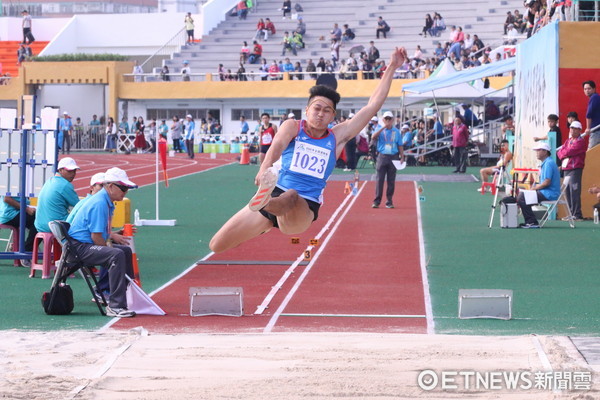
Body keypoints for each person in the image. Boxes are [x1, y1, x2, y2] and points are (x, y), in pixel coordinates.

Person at [209, 47, 407, 253]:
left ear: (333, 117)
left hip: (304, 206)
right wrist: (264, 168)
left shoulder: (337, 137)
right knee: (217, 245)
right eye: (317, 108)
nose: (320, 114)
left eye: (327, 111)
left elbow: (373, 105)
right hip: (277, 191)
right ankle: (267, 208)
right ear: (307, 110)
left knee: (292, 196)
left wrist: (392, 66)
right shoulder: (293, 127)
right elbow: (276, 145)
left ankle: (265, 203)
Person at [67, 168, 138, 318]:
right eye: (123, 188)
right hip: (78, 248)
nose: (125, 192)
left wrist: (110, 239)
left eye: (127, 188)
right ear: (110, 186)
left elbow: (99, 234)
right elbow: (96, 238)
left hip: (81, 245)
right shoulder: (100, 203)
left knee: (124, 251)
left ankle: (127, 293)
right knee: (116, 254)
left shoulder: (105, 201)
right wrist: (109, 248)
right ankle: (115, 305)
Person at [517, 142, 561, 228]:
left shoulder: (548, 163)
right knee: (523, 196)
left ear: (545, 152)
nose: (536, 152)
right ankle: (531, 221)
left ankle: (532, 222)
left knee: (522, 197)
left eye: (538, 150)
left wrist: (534, 188)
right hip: (547, 192)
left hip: (549, 194)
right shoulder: (547, 162)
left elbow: (546, 182)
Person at [34, 157, 80, 234]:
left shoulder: (49, 181)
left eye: (74, 171)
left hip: (40, 225)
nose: (73, 174)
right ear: (60, 170)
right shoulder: (65, 185)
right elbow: (79, 206)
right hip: (56, 226)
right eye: (69, 171)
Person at [371, 111, 405, 209]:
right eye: (386, 119)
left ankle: (389, 201)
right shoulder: (379, 129)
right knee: (379, 180)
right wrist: (383, 127)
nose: (388, 121)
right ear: (383, 120)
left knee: (391, 180)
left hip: (393, 156)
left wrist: (402, 156)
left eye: (389, 119)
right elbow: (373, 137)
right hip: (382, 156)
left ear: (393, 120)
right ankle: (377, 201)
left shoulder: (396, 131)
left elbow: (400, 145)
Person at [557, 121, 587, 221]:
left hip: (575, 169)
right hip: (567, 168)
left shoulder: (580, 141)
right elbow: (560, 153)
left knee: (574, 190)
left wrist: (565, 153)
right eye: (571, 128)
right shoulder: (568, 141)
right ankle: (571, 213)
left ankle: (577, 214)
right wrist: (565, 154)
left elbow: (570, 151)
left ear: (579, 130)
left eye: (575, 128)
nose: (573, 130)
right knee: (567, 192)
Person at [0, 195, 37, 266]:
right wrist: (26, 208)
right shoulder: (12, 185)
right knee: (37, 223)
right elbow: (6, 199)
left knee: (38, 221)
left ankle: (22, 246)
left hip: (17, 212)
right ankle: (26, 251)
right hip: (10, 215)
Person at [583, 80, 600, 149]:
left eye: (589, 88)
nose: (587, 91)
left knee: (590, 153)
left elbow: (589, 114)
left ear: (594, 89)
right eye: (585, 89)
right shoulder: (596, 97)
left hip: (596, 131)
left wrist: (588, 128)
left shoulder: (594, 97)